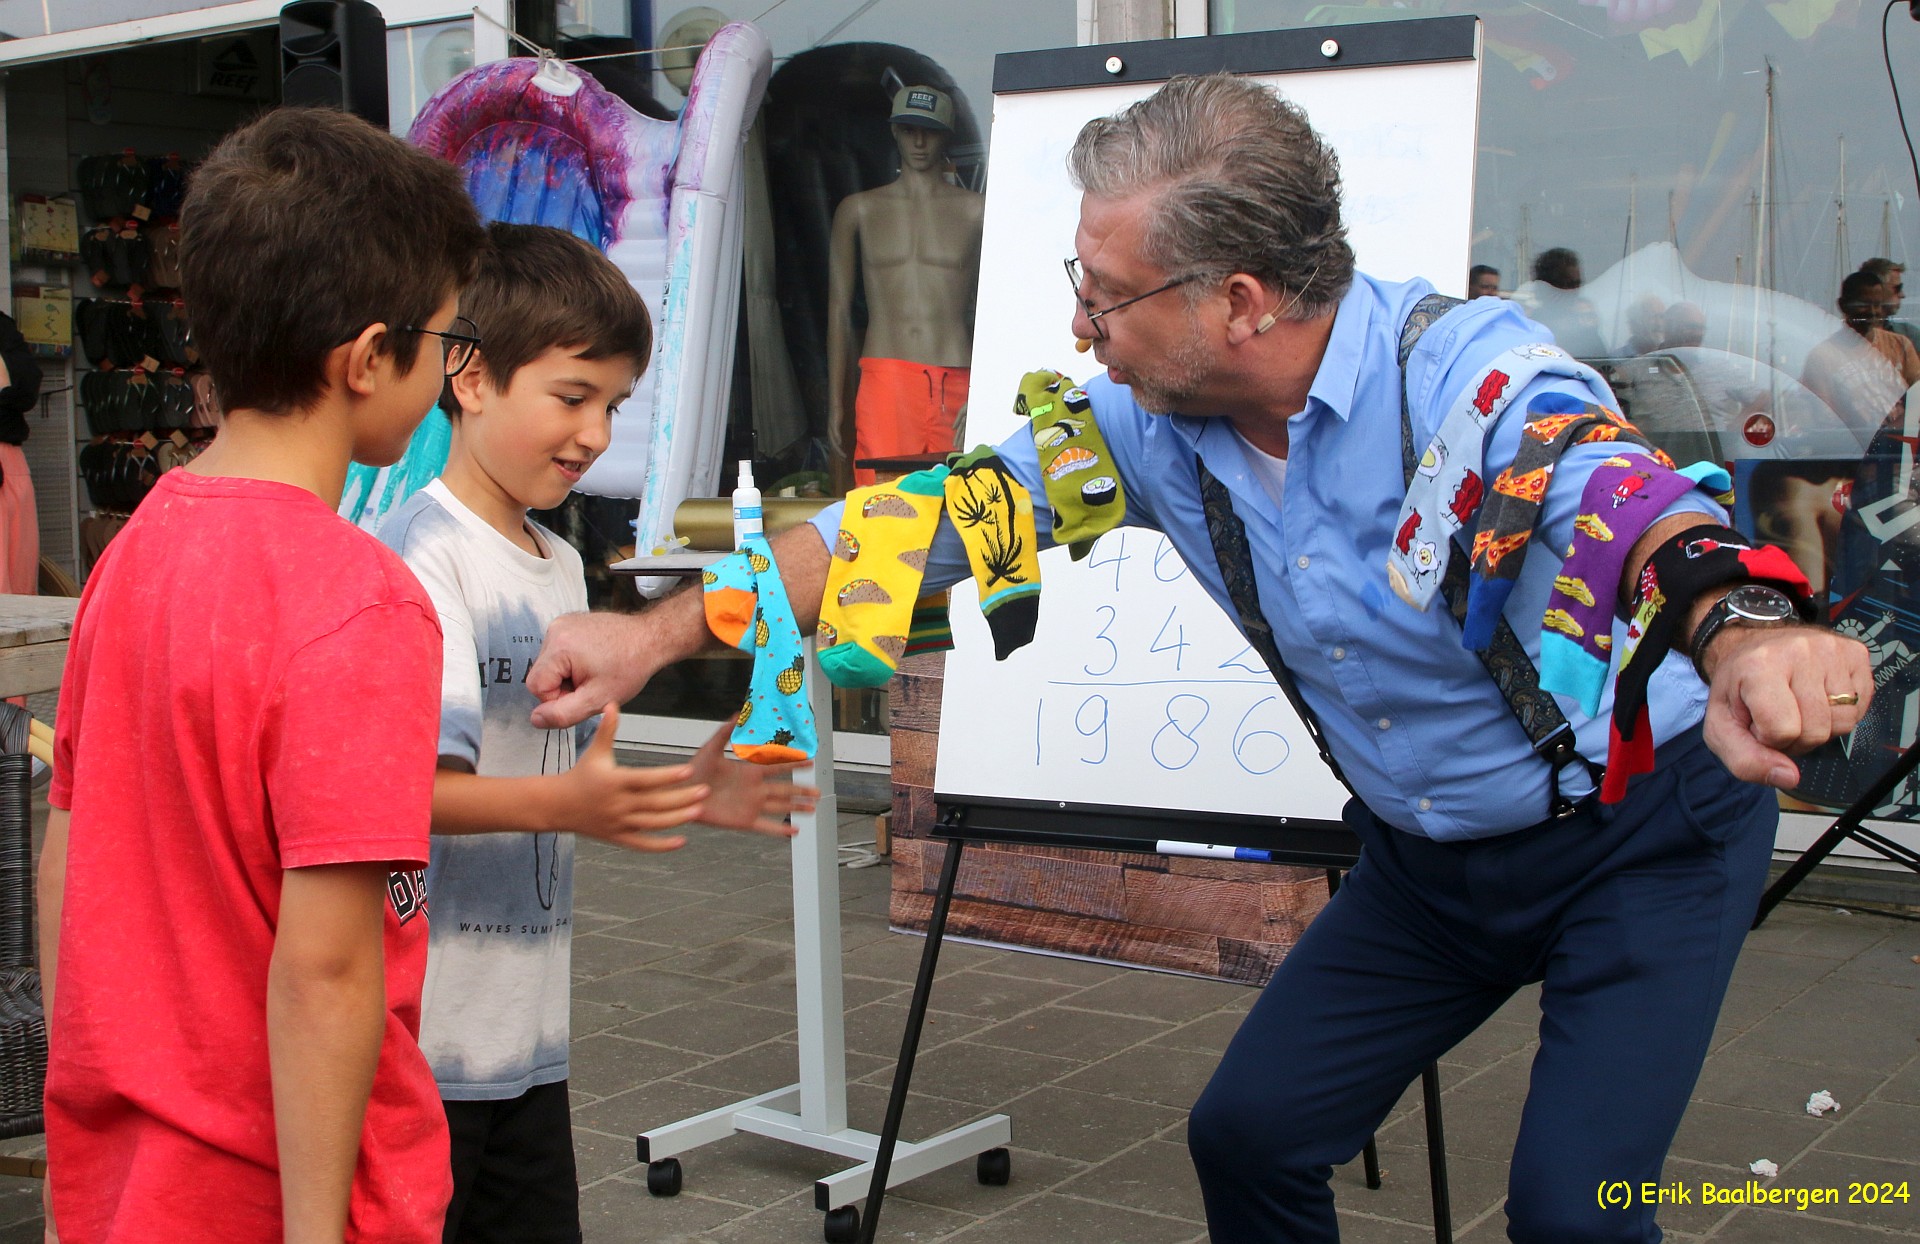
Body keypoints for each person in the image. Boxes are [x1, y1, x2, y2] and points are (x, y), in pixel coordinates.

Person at [524, 75, 1869, 1242]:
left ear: (1237, 301)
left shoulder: (1463, 375)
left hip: (1642, 832)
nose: (1080, 329)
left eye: (1104, 296)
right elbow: (910, 529)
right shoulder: (1137, 430)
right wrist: (656, 632)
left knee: (1578, 1212)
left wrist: (1741, 631)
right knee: (1250, 1136)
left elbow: (1620, 492)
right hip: (1433, 866)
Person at [39, 108, 488, 1242]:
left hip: (129, 1179)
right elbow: (326, 969)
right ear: (368, 360)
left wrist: (73, 1133)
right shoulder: (363, 602)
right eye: (444, 341)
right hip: (283, 1191)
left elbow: (66, 850)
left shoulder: (135, 546)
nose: (447, 374)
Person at [376, 221, 812, 1244]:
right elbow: (406, 795)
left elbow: (558, 776)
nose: (596, 434)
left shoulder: (560, 564)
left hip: (526, 1034)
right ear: (469, 377)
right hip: (421, 1043)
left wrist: (683, 790)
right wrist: (575, 801)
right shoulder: (421, 557)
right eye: (572, 396)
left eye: (613, 405)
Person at [827, 85, 984, 490]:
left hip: (957, 378)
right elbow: (838, 310)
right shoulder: (859, 210)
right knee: (883, 504)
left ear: (946, 136)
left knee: (962, 501)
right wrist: (835, 401)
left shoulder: (977, 211)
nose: (919, 142)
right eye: (909, 129)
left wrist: (986, 385)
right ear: (894, 132)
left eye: (929, 131)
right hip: (887, 379)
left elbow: (997, 305)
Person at [1801, 269, 1919, 440]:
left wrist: (1898, 428)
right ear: (1843, 305)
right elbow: (1824, 419)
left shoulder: (1900, 345)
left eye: (1877, 304)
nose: (1872, 311)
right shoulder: (1822, 357)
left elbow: (1917, 395)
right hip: (1854, 448)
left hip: (1900, 446)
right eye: (1863, 304)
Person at [0, 312, 42, 595]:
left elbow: (27, 386)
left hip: (11, 457)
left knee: (21, 577)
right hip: (9, 454)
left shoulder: (2, 326)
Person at [1514, 245, 1605, 358]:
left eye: (1578, 284)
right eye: (1567, 284)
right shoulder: (1529, 328)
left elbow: (1604, 364)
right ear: (1546, 286)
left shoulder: (1586, 329)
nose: (1575, 291)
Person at [1859, 257, 1920, 355]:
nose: (1902, 295)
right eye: (1897, 288)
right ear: (1877, 289)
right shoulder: (1907, 336)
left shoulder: (1910, 335)